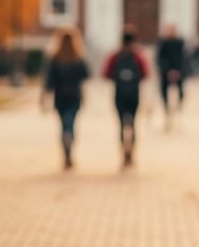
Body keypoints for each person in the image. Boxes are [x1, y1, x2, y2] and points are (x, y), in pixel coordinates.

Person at [41, 27, 90, 170]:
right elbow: (85, 77)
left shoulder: (55, 58)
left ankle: (65, 151)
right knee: (71, 123)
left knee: (63, 125)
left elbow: (48, 81)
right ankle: (70, 145)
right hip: (74, 96)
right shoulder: (78, 58)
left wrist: (44, 97)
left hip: (60, 96)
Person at [102, 25, 149, 168]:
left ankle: (123, 151)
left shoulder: (115, 56)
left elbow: (106, 74)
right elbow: (145, 74)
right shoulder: (138, 56)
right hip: (134, 94)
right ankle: (132, 153)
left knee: (122, 124)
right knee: (133, 123)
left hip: (119, 94)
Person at [155, 23, 188, 121]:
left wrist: (178, 71)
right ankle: (166, 107)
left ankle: (178, 106)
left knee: (181, 90)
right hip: (166, 72)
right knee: (163, 89)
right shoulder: (162, 43)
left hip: (178, 70)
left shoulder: (180, 42)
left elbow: (183, 58)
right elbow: (160, 58)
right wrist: (167, 70)